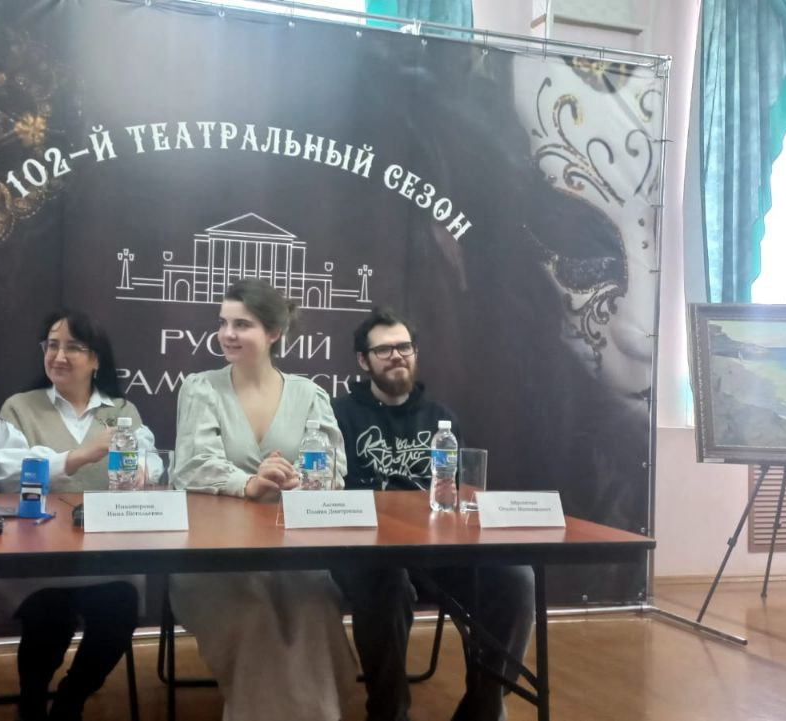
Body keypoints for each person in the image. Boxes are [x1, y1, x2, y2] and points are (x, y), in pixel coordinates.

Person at [331, 307, 534, 721]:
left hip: (435, 551)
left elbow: (455, 497)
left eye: (404, 346)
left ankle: (482, 708)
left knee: (515, 577)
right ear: (363, 361)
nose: (396, 356)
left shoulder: (441, 419)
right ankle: (388, 712)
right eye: (384, 349)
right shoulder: (339, 415)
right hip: (368, 552)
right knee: (387, 582)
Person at [170, 278, 356, 721]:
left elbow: (331, 474)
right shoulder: (201, 388)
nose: (227, 334)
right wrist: (249, 483)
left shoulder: (310, 395)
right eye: (223, 323)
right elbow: (191, 467)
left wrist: (297, 481)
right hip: (211, 554)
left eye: (242, 324)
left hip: (291, 551)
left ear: (274, 332)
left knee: (315, 607)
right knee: (253, 614)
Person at [0, 310, 155, 721]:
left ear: (96, 359)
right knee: (50, 617)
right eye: (52, 345)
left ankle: (71, 699)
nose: (59, 356)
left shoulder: (122, 410)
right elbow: (2, 472)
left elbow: (151, 459)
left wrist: (145, 471)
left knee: (119, 608)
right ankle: (31, 702)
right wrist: (77, 457)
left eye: (73, 347)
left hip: (105, 558)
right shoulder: (21, 407)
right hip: (35, 559)